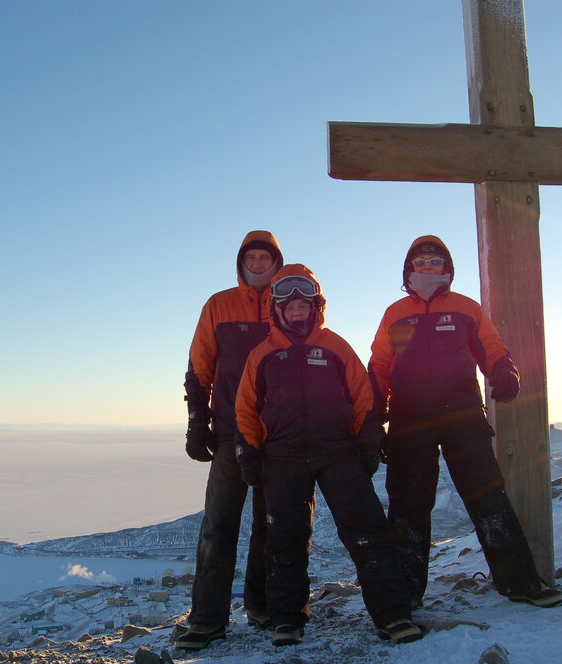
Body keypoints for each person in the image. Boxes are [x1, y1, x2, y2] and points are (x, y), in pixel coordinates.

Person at [368, 235, 562, 609]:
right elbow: (380, 364)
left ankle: (520, 583)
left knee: (487, 495)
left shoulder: (465, 308)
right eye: (421, 262)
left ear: (447, 268)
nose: (427, 267)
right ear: (409, 269)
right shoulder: (395, 312)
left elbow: (491, 347)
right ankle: (405, 595)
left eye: (434, 261)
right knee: (408, 505)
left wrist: (503, 372)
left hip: (463, 414)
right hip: (410, 419)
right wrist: (375, 412)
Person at [233, 264, 423, 647]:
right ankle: (287, 618)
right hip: (282, 457)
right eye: (290, 305)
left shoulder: (336, 346)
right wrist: (249, 452)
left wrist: (369, 441)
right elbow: (246, 409)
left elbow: (363, 397)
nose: (297, 310)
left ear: (316, 306)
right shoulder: (263, 354)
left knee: (368, 532)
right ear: (278, 310)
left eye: (305, 304)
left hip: (338, 452)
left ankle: (393, 615)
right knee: (284, 538)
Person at [177, 230, 282, 650]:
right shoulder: (218, 305)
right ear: (241, 262)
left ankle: (264, 606)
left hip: (280, 434)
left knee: (273, 525)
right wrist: (196, 422)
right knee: (219, 526)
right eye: (251, 258)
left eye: (265, 258)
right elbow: (198, 367)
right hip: (228, 433)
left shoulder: (291, 298)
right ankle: (207, 619)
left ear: (277, 261)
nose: (258, 264)